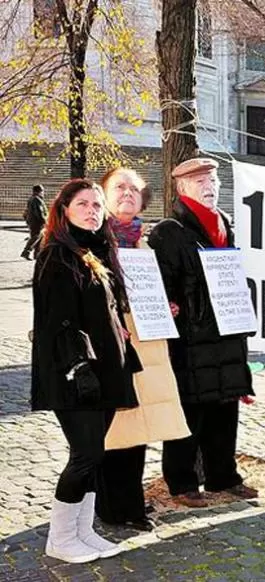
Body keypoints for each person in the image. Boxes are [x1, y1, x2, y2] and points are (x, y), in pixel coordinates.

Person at [31, 179, 141, 563]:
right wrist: (79, 366)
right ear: (63, 210)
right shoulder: (57, 256)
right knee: (85, 454)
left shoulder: (95, 249)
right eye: (83, 204)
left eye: (97, 205)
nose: (92, 210)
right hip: (76, 374)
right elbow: (57, 323)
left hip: (106, 370)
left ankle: (82, 530)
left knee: (95, 455)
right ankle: (60, 538)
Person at [148, 158, 258, 506]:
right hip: (192, 338)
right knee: (189, 414)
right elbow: (162, 283)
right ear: (182, 189)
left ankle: (223, 476)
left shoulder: (226, 224)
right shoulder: (169, 231)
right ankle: (182, 483)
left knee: (225, 411)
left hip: (227, 334)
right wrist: (171, 304)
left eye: (212, 179)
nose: (209, 186)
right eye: (198, 181)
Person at [96, 168, 191, 530]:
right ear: (103, 194)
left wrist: (165, 306)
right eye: (119, 187)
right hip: (114, 348)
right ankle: (114, 507)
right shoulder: (93, 239)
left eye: (134, 189)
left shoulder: (141, 242)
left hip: (146, 345)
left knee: (138, 428)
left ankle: (129, 501)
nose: (128, 194)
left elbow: (146, 290)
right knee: (114, 429)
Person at [22, 184, 47, 260]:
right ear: (39, 191)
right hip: (37, 222)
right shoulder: (36, 199)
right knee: (35, 237)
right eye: (42, 191)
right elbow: (39, 212)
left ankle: (37, 254)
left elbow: (27, 211)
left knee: (39, 238)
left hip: (33, 221)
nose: (43, 192)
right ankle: (26, 252)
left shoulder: (32, 198)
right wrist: (44, 221)